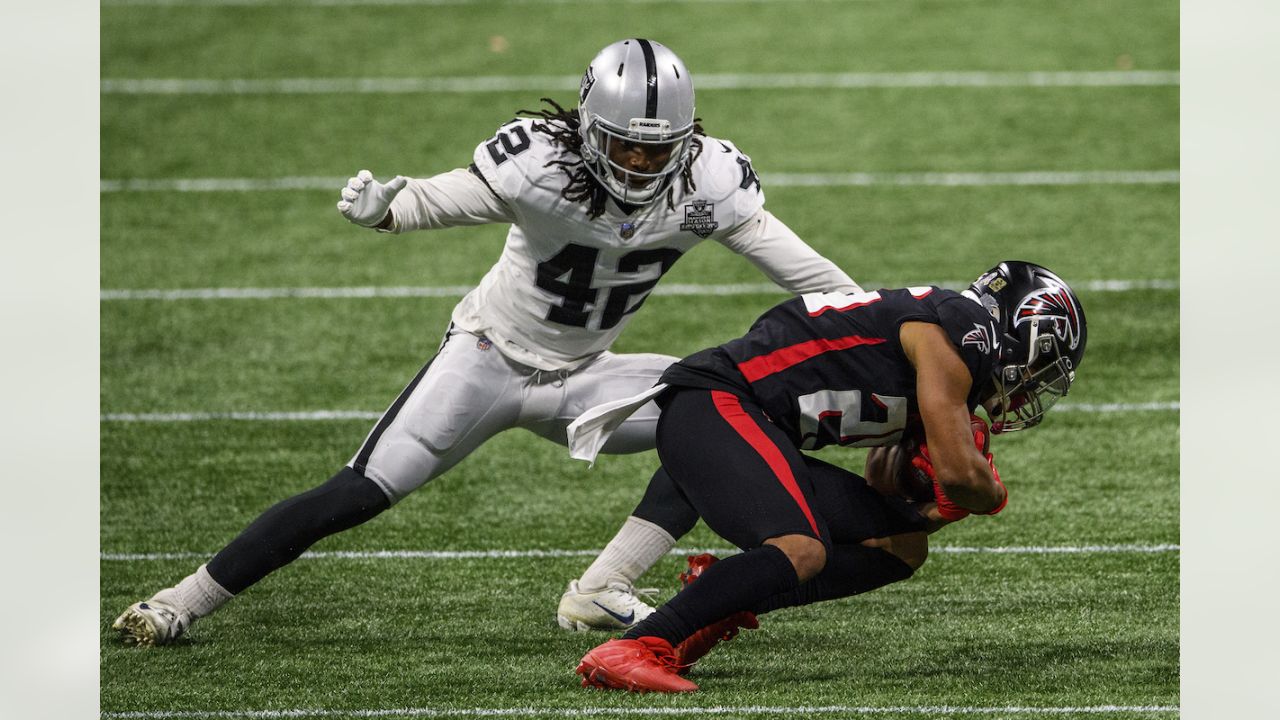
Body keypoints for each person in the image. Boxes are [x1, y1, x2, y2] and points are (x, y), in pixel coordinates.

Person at [111, 38, 863, 646]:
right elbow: (446, 196)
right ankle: (180, 602)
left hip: (586, 374)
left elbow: (814, 278)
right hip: (485, 360)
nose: (640, 162)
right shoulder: (540, 165)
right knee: (355, 493)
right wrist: (388, 210)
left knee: (713, 417)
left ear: (686, 139)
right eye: (624, 146)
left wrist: (880, 325)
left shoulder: (709, 183)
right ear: (587, 128)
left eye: (656, 148)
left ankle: (604, 587)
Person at [567, 261, 1087, 692]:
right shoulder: (959, 335)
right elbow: (959, 476)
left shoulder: (949, 336)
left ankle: (718, 601)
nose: (1032, 387)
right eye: (1046, 365)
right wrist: (988, 494)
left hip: (743, 420)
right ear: (1029, 332)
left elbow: (888, 493)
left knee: (900, 545)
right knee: (802, 547)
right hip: (718, 404)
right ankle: (636, 645)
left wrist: (934, 510)